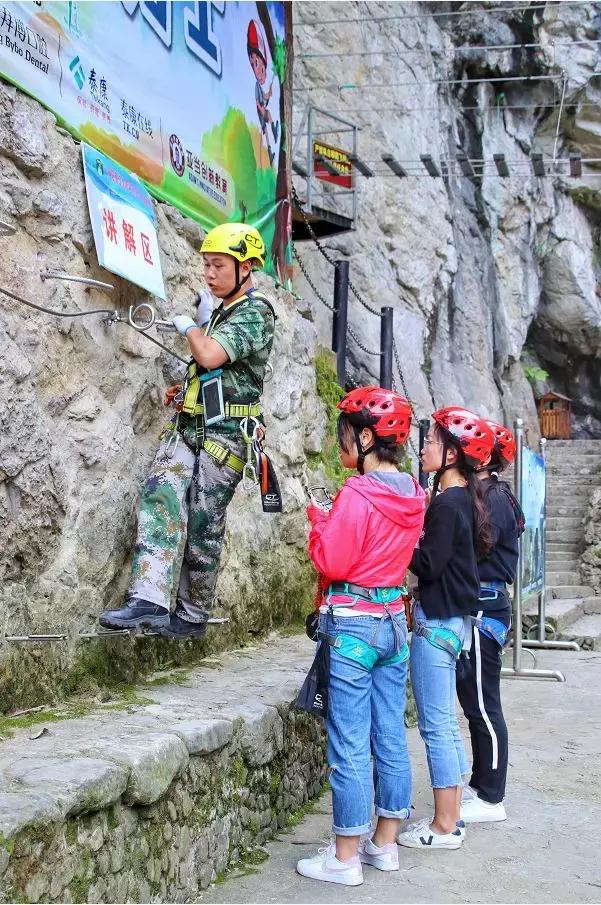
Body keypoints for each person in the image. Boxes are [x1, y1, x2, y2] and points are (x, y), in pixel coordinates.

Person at [98, 223, 276, 639]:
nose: (209, 274)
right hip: (191, 425)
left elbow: (213, 355)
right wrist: (186, 389)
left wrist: (190, 328)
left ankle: (192, 615)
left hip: (226, 435)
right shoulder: (223, 311)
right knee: (159, 494)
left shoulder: (256, 311)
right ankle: (148, 599)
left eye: (218, 266)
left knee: (203, 520)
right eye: (206, 265)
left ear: (246, 268)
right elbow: (218, 370)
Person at [296, 387, 426, 887]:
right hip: (395, 623)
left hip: (353, 626)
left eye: (346, 434)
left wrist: (318, 523)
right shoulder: (414, 493)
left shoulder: (356, 493)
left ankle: (345, 856)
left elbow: (333, 561)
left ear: (368, 437)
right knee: (390, 733)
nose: (341, 443)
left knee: (349, 743)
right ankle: (385, 843)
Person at [397, 407, 495, 851]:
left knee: (435, 726)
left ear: (452, 454)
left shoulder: (448, 503)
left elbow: (429, 564)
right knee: (446, 725)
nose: (423, 448)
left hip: (436, 623)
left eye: (432, 442)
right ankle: (451, 816)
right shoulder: (461, 500)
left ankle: (444, 826)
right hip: (454, 622)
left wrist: (397, 540)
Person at [457, 420, 522, 823]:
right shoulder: (490, 493)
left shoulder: (493, 498)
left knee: (483, 703)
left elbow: (475, 549)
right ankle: (481, 784)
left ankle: (492, 796)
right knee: (475, 703)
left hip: (486, 606)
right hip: (481, 604)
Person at [247, 19, 279, 166]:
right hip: (260, 112)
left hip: (262, 110)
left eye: (257, 64)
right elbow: (257, 102)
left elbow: (264, 97)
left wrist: (269, 94)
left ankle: (272, 139)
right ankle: (270, 148)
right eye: (253, 65)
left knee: (266, 128)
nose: (257, 70)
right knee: (265, 127)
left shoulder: (260, 87)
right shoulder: (256, 87)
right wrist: (261, 108)